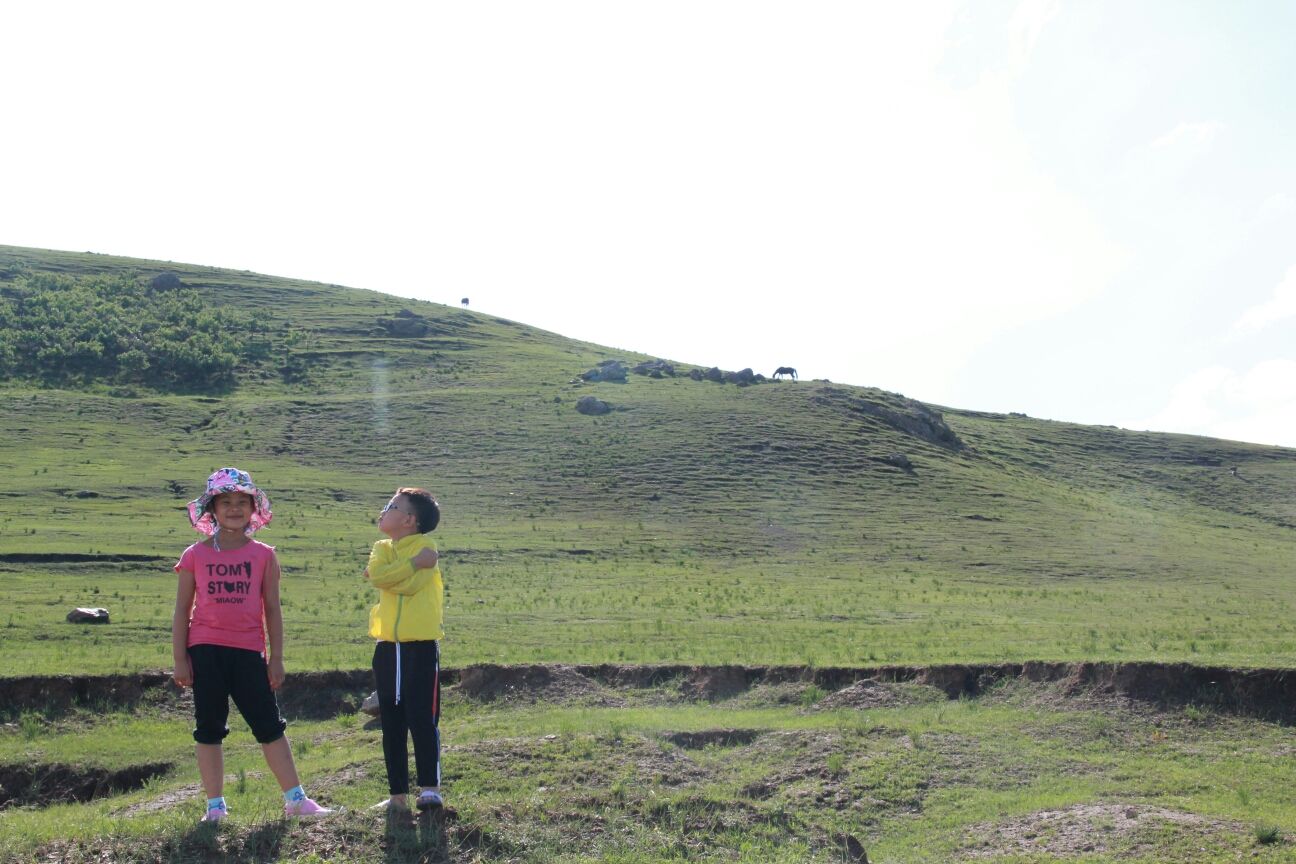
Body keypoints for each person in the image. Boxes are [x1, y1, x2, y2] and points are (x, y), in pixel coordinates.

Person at [171, 467, 332, 823]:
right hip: (205, 650)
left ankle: (296, 799)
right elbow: (182, 610)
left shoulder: (263, 555)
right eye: (225, 501)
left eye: (241, 502)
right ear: (211, 508)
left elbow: (272, 609)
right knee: (209, 728)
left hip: (249, 652)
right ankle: (215, 807)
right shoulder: (194, 555)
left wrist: (277, 658)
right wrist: (180, 658)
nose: (233, 508)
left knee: (269, 725)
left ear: (253, 508)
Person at [365, 487, 444, 812]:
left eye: (392, 506)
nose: (384, 510)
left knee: (421, 717)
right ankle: (397, 796)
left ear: (409, 520)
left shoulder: (427, 546)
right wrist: (411, 565)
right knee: (392, 722)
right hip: (387, 648)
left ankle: (429, 789)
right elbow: (378, 579)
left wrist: (387, 576)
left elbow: (406, 585)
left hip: (420, 647)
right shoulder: (381, 547)